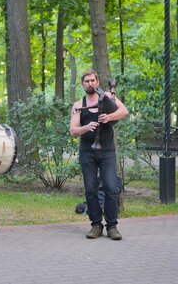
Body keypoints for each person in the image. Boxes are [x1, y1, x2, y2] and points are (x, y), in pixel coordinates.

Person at [70, 69, 129, 240]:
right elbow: (73, 130)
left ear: (97, 82)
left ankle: (112, 227)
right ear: (82, 84)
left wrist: (109, 117)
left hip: (107, 151)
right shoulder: (78, 105)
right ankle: (96, 225)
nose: (90, 84)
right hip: (87, 151)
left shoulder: (107, 98)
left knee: (111, 188)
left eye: (92, 80)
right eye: (86, 81)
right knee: (91, 190)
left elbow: (124, 111)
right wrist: (85, 128)